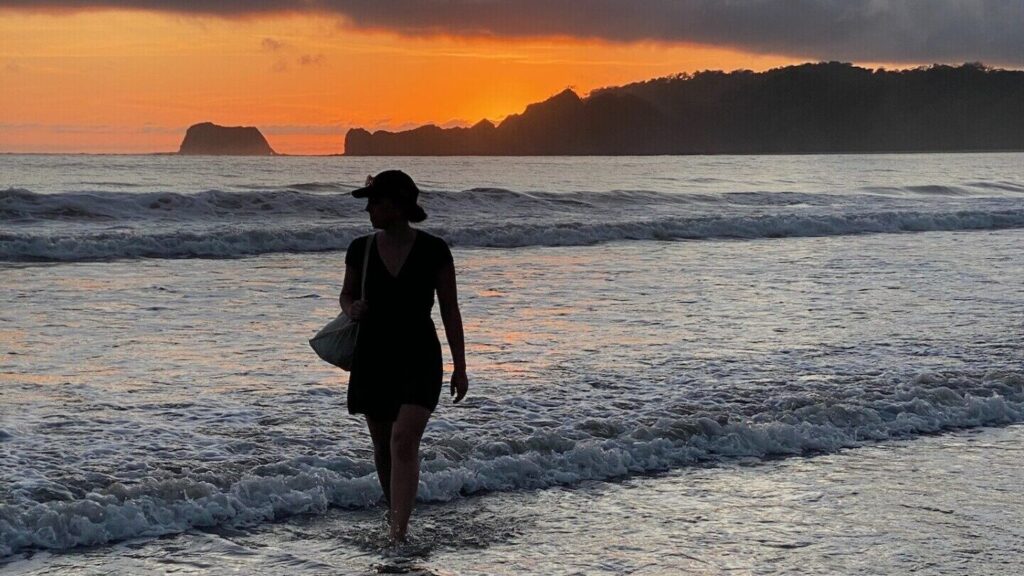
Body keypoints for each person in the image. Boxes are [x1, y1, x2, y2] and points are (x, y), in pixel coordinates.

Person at [339, 169, 468, 543]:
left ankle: (398, 533)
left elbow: (450, 310)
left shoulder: (434, 250)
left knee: (402, 440)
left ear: (397, 205)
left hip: (419, 354)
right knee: (382, 446)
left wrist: (460, 366)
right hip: (373, 355)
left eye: (375, 203)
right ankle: (393, 513)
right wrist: (352, 309)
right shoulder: (359, 249)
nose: (369, 211)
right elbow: (345, 295)